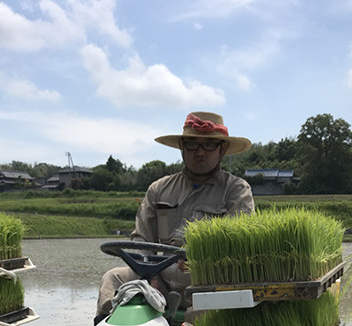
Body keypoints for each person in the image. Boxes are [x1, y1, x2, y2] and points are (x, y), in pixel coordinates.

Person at [96, 111, 254, 315]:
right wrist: (148, 274)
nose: (200, 152)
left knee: (200, 313)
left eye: (208, 145)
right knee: (113, 278)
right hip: (160, 277)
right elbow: (142, 242)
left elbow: (236, 245)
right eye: (192, 144)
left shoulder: (236, 190)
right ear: (182, 147)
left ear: (222, 149)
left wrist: (201, 256)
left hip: (206, 281)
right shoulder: (159, 189)